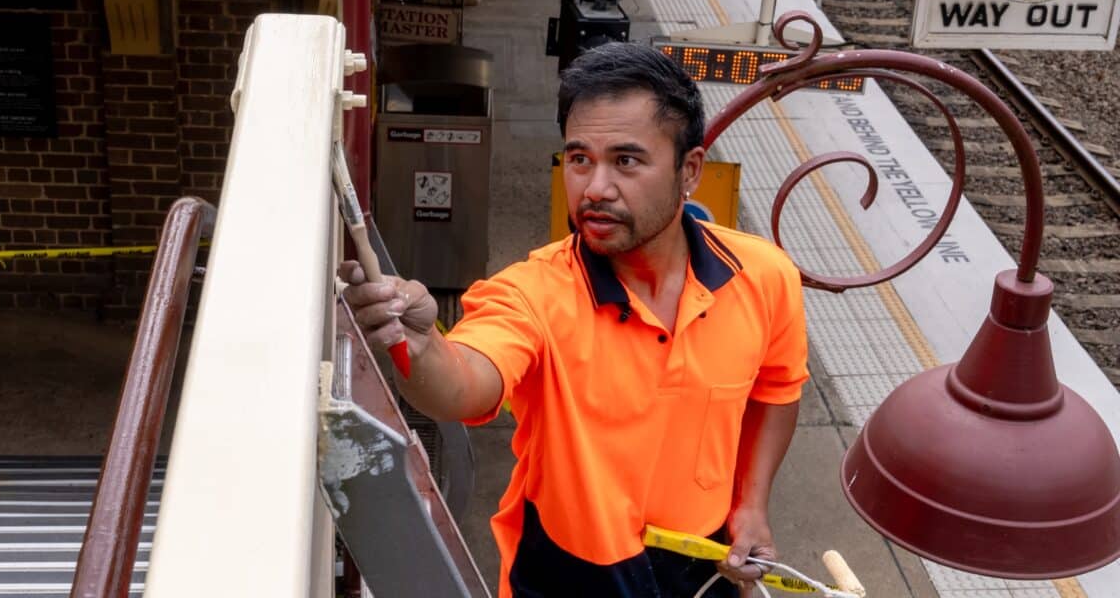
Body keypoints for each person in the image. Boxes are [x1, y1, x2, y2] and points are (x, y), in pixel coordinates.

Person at [340, 41, 808, 597]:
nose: (595, 188)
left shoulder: (764, 277)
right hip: (568, 574)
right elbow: (462, 385)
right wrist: (420, 347)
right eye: (580, 159)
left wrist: (750, 506)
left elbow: (777, 389)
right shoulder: (533, 292)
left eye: (626, 161)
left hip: (706, 568)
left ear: (690, 170)